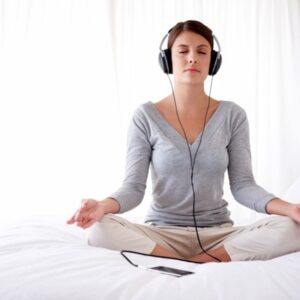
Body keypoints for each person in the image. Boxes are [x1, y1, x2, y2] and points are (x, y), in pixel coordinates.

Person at [67, 20, 300, 262]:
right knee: (99, 227)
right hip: (161, 234)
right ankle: (186, 259)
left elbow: (243, 185)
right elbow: (133, 188)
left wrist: (290, 208)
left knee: (293, 228)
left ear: (213, 62)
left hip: (219, 235)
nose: (192, 58)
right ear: (167, 60)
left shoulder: (233, 115)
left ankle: (198, 262)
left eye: (202, 51)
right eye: (182, 51)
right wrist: (102, 207)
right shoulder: (145, 116)